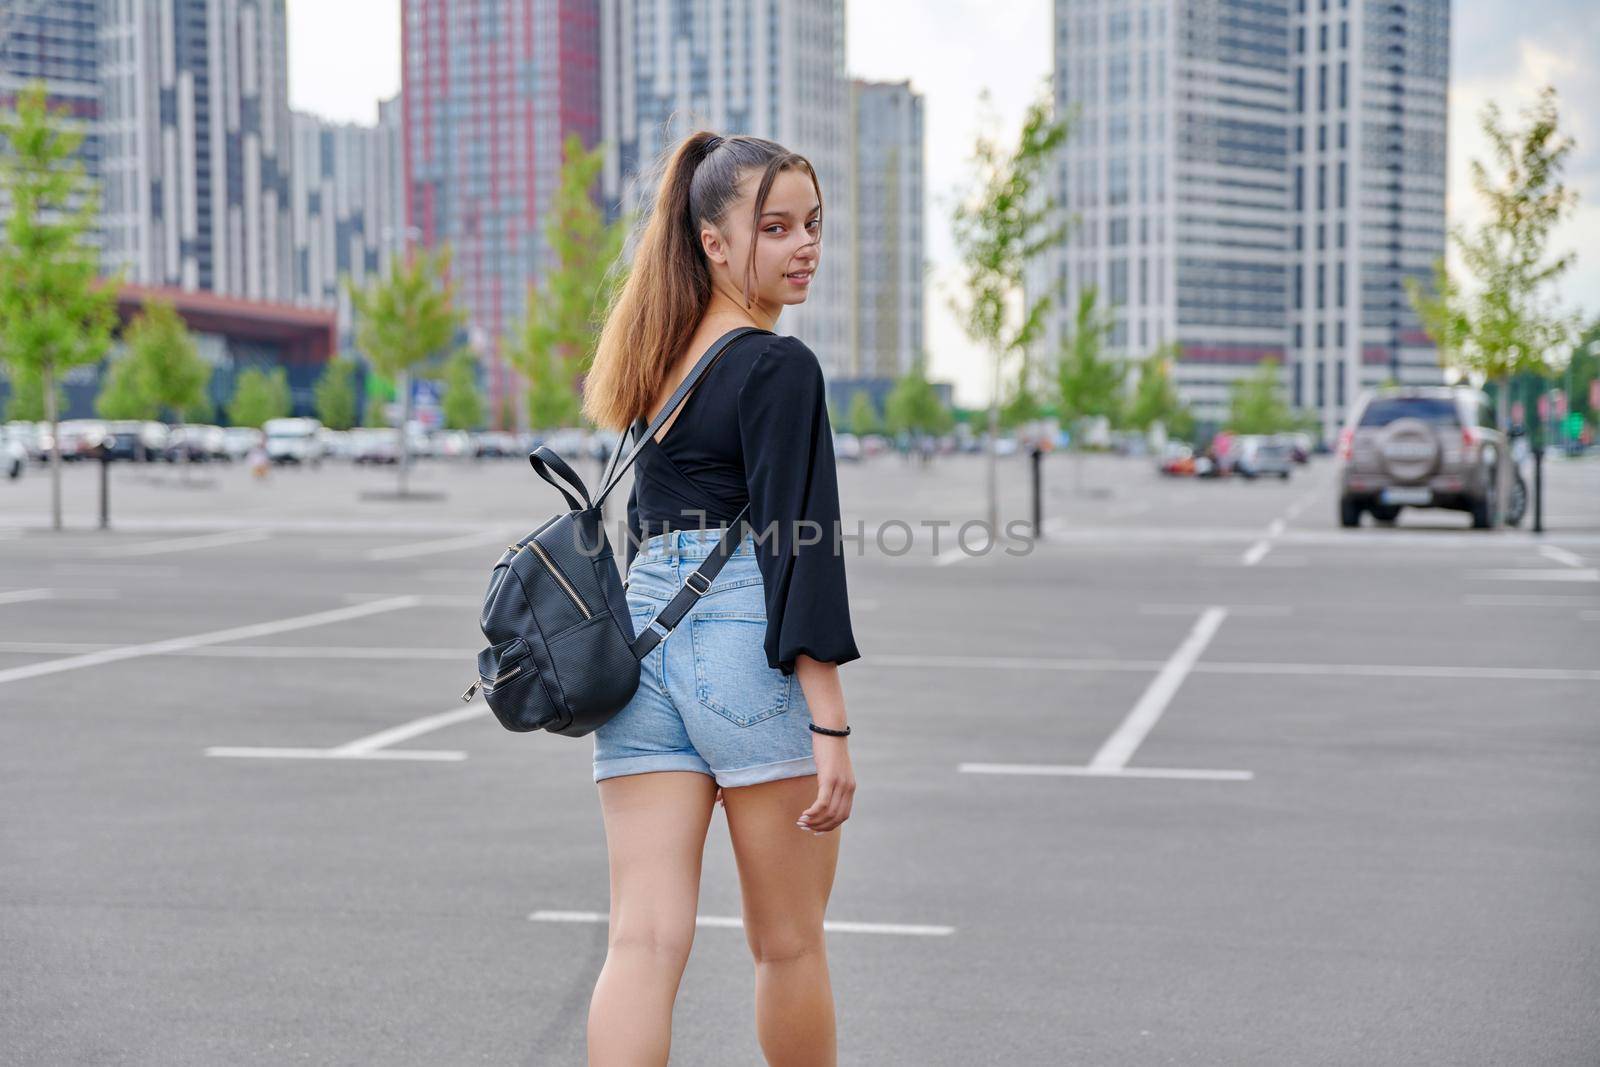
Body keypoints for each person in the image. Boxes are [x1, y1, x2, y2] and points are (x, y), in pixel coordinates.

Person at [579, 131, 860, 1066]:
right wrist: (830, 723)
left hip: (642, 646)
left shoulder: (651, 367)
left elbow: (645, 532)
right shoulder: (778, 365)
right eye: (775, 227)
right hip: (743, 639)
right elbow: (798, 545)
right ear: (713, 240)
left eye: (811, 224)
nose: (803, 245)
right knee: (788, 942)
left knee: (641, 942)